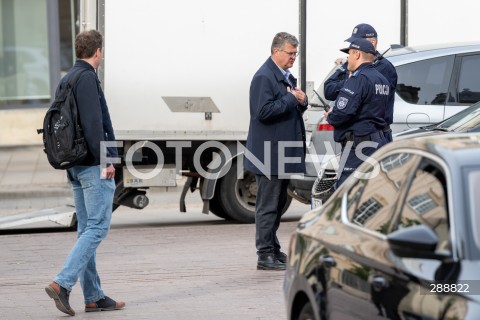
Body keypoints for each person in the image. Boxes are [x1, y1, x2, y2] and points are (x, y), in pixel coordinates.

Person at [44, 29, 124, 316]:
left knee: (85, 230)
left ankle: (93, 296)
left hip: (74, 165)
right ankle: (62, 283)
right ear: (98, 52)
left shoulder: (67, 78)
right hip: (92, 164)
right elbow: (93, 124)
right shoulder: (88, 78)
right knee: (97, 227)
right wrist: (107, 160)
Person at [245, 32, 308, 271]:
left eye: (296, 53)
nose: (294, 57)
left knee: (279, 204)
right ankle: (264, 254)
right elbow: (262, 112)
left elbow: (290, 108)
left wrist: (301, 101)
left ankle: (273, 248)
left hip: (282, 152)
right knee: (268, 206)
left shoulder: (285, 76)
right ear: (276, 51)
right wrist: (292, 99)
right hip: (269, 154)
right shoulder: (264, 77)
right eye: (290, 53)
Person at [324, 38, 389, 187]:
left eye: (350, 55)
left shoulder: (358, 79)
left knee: (345, 194)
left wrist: (331, 115)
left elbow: (342, 113)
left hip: (359, 147)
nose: (348, 59)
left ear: (357, 55)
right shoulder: (382, 79)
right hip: (377, 143)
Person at [325, 23, 397, 142]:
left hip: (371, 136)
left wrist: (350, 83)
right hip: (355, 137)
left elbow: (365, 95)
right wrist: (349, 83)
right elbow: (328, 90)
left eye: (356, 43)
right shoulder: (351, 64)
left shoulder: (383, 68)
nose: (352, 48)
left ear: (372, 42)